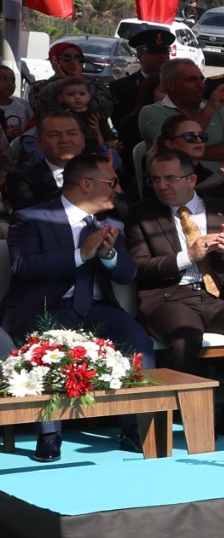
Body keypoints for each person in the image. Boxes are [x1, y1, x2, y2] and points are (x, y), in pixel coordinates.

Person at [127, 146, 224, 440]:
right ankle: (190, 416)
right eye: (155, 179)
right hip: (169, 297)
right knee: (186, 336)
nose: (162, 185)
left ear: (191, 180)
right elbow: (138, 267)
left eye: (170, 178)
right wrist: (188, 256)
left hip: (218, 297)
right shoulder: (141, 214)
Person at [2, 154, 152, 461]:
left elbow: (127, 274)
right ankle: (49, 433)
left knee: (139, 341)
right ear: (86, 184)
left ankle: (134, 427)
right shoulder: (32, 217)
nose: (118, 189)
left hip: (95, 307)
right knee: (41, 345)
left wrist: (109, 255)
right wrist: (80, 255)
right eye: (111, 182)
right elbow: (22, 265)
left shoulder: (112, 222)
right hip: (43, 307)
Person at [6, 110, 90, 213]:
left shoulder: (100, 173)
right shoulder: (21, 180)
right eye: (54, 134)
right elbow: (32, 219)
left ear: (83, 140)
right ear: (39, 143)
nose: (64, 139)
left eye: (71, 133)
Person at [110, 26, 175, 149]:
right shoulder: (121, 87)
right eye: (154, 52)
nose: (162, 56)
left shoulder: (178, 85)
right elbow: (122, 125)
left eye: (165, 52)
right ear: (140, 55)